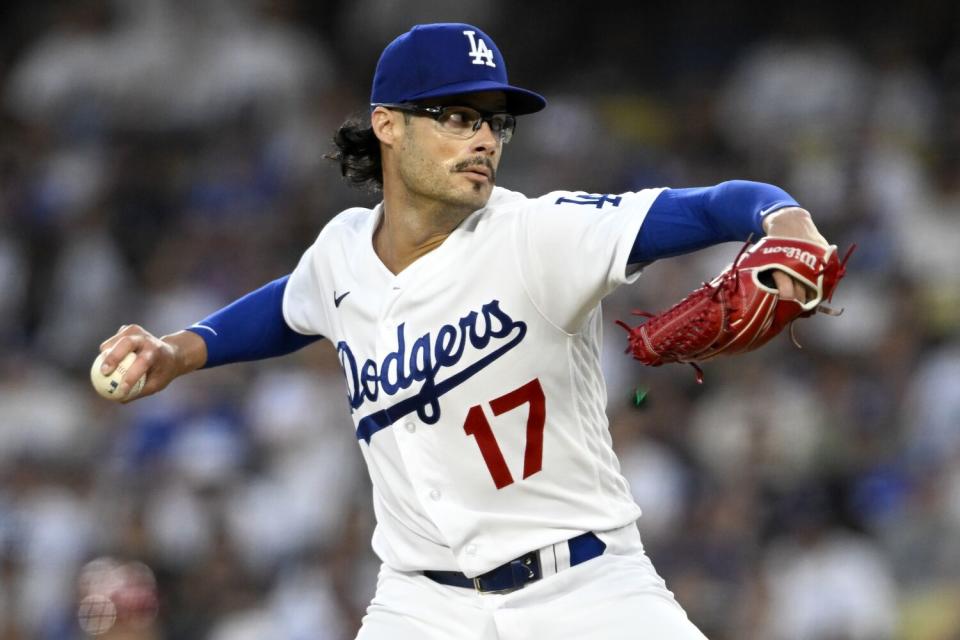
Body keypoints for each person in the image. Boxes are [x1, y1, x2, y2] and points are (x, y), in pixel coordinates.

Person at [97, 23, 830, 640]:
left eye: (494, 120)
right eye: (456, 116)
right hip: (421, 604)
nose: (483, 138)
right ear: (388, 124)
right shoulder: (343, 250)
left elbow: (708, 207)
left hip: (586, 591)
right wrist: (178, 350)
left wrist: (783, 218)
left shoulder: (538, 234)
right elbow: (292, 305)